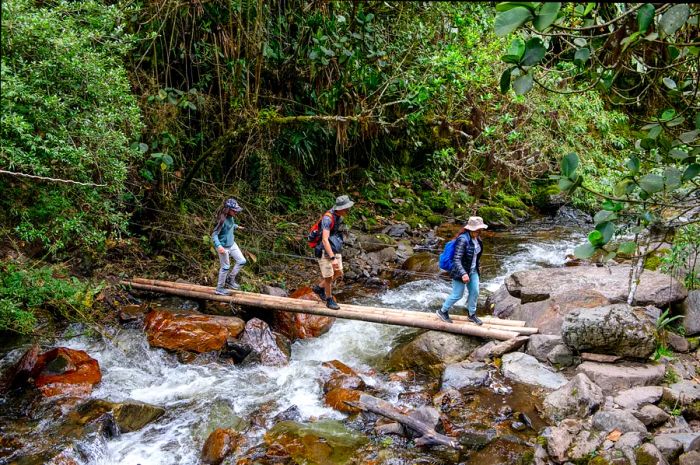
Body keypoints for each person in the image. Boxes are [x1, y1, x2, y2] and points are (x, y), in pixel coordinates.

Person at [436, 216, 488, 325]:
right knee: (457, 294)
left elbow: (475, 256)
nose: (479, 231)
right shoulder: (463, 239)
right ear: (470, 229)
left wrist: (477, 267)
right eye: (477, 230)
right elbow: (456, 259)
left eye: (480, 229)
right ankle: (442, 311)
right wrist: (463, 273)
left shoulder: (478, 239)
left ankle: (471, 314)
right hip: (460, 271)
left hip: (473, 270)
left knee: (475, 292)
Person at [311, 195, 354, 310]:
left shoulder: (338, 216)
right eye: (346, 208)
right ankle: (329, 300)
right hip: (324, 249)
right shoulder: (328, 218)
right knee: (329, 277)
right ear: (340, 208)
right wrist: (332, 258)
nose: (348, 210)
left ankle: (319, 288)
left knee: (339, 272)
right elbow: (325, 239)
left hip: (333, 246)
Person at [212, 198, 247, 295]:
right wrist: (219, 246)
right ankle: (219, 289)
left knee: (242, 261)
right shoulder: (221, 220)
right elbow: (214, 235)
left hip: (232, 244)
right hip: (223, 246)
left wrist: (237, 227)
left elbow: (230, 225)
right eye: (234, 210)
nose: (236, 211)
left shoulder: (231, 217)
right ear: (228, 209)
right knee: (225, 267)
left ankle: (230, 279)